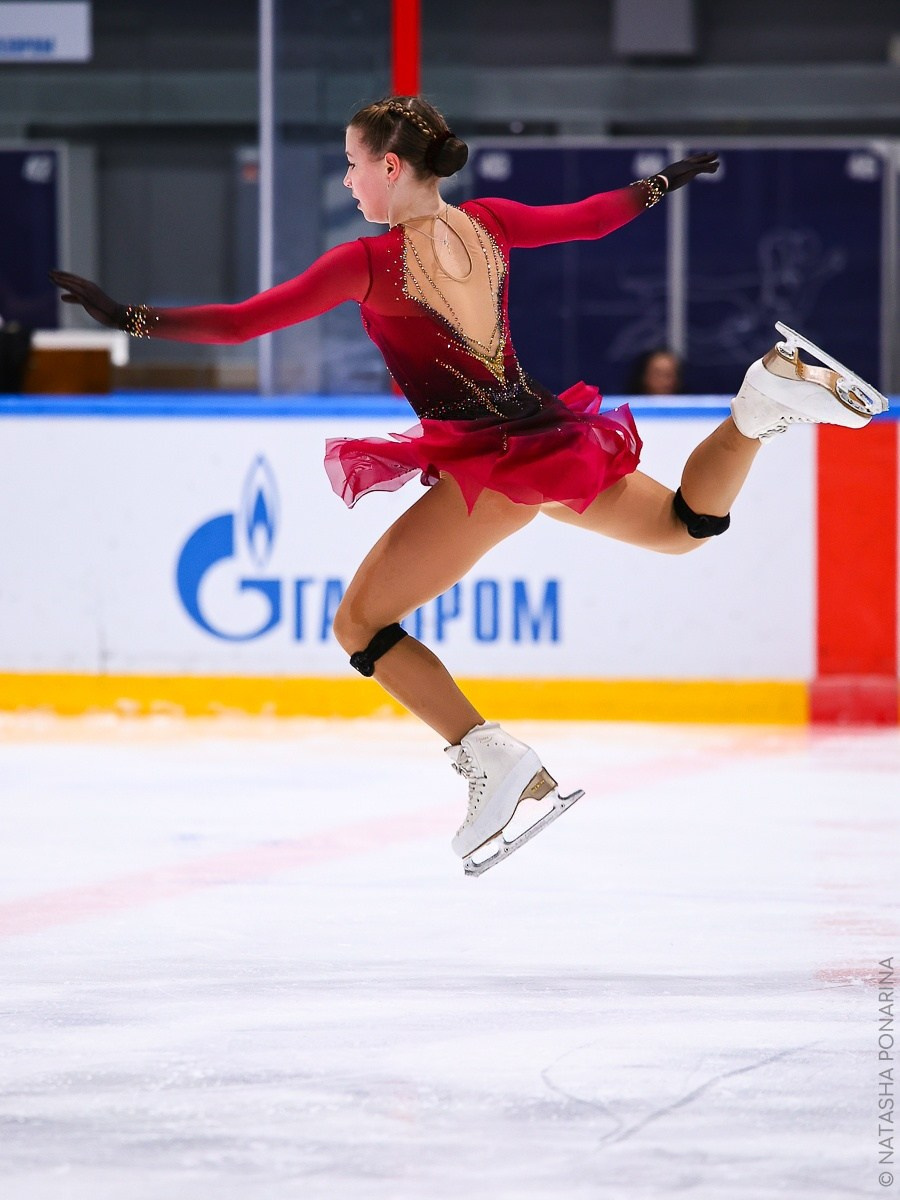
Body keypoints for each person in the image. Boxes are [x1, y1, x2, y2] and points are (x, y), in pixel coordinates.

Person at [50, 95, 888, 875]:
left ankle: (492, 761)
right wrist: (660, 182)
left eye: (351, 162)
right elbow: (592, 221)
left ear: (390, 167)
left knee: (359, 622)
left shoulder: (369, 262)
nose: (346, 179)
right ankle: (762, 402)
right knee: (681, 526)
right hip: (545, 439)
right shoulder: (489, 223)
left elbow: (244, 321)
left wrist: (130, 319)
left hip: (492, 467)